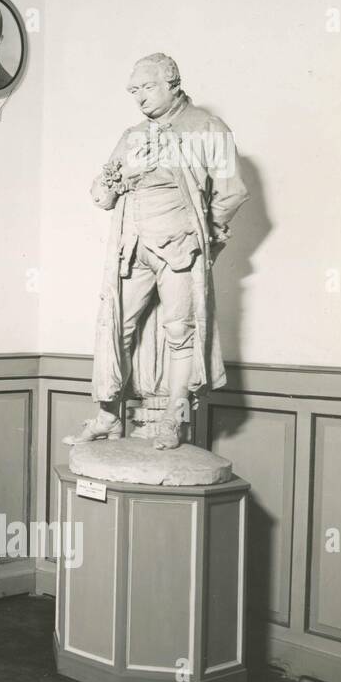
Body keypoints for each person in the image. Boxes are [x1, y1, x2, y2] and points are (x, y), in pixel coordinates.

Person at [65, 53, 248, 450]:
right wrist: (121, 176)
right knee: (118, 326)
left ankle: (173, 419)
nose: (140, 98)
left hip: (179, 248)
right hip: (134, 249)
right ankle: (108, 416)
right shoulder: (132, 135)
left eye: (147, 88)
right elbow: (101, 194)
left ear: (173, 84)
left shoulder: (207, 128)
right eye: (134, 90)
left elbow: (231, 192)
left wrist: (205, 236)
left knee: (180, 333)